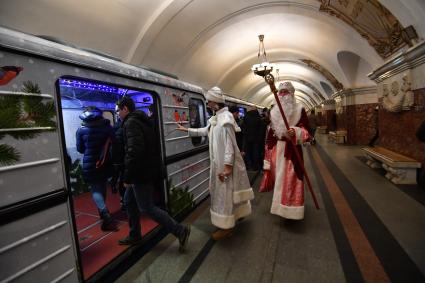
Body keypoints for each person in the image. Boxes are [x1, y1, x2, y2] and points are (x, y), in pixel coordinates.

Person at [176, 86, 254, 240]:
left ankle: (226, 226)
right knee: (226, 193)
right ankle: (236, 215)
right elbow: (205, 131)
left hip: (224, 166)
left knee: (224, 194)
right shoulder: (216, 119)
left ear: (216, 102)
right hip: (218, 164)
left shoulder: (225, 120)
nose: (207, 104)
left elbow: (230, 146)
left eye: (209, 101)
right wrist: (186, 130)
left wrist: (226, 168)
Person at [116, 97, 190, 252]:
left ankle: (180, 230)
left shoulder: (130, 123)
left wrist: (127, 177)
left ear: (125, 109)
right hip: (147, 169)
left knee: (147, 207)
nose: (117, 113)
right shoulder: (143, 120)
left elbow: (134, 151)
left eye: (118, 110)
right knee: (129, 201)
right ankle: (134, 234)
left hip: (140, 173)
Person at [265, 82, 310, 220]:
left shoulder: (299, 110)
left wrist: (295, 132)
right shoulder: (274, 111)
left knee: (291, 180)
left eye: (286, 92)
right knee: (279, 181)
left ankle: (291, 210)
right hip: (276, 151)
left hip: (291, 152)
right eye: (281, 92)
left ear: (292, 94)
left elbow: (307, 132)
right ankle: (279, 207)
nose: (283, 95)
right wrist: (267, 152)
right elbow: (270, 134)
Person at [76, 106, 118, 231]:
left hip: (90, 164)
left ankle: (105, 214)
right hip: (105, 162)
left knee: (95, 190)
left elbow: (80, 149)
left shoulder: (81, 130)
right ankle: (104, 216)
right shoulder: (107, 127)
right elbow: (114, 142)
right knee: (103, 186)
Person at [242, 106, 264, 170]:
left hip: (247, 138)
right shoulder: (259, 118)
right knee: (256, 152)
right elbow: (261, 130)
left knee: (248, 152)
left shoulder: (246, 117)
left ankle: (249, 165)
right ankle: (255, 166)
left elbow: (244, 128)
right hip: (256, 139)